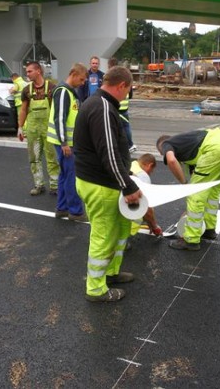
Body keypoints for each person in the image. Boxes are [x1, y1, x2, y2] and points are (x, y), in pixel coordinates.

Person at [74, 66, 142, 303]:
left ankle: (111, 273)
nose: (127, 95)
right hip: (100, 184)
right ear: (121, 85)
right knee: (103, 236)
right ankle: (96, 288)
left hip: (105, 182)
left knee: (120, 230)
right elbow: (109, 153)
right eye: (128, 90)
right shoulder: (102, 107)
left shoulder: (100, 104)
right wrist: (129, 186)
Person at [156, 127, 220, 251]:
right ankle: (209, 229)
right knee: (213, 191)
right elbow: (192, 171)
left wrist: (185, 185)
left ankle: (191, 240)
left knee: (195, 194)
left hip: (216, 149)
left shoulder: (167, 144)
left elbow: (171, 160)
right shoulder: (186, 143)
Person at [47, 63, 88, 222]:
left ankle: (62, 208)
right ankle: (75, 211)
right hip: (65, 143)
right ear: (73, 74)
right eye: (82, 79)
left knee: (65, 175)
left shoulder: (69, 92)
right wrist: (64, 143)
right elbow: (60, 118)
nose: (83, 82)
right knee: (71, 176)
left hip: (66, 142)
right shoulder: (64, 92)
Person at [17, 61, 59, 196]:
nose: (26, 74)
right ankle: (39, 184)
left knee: (52, 157)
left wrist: (58, 129)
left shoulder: (52, 88)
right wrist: (20, 127)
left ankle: (55, 186)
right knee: (34, 158)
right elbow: (23, 110)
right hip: (33, 130)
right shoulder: (26, 90)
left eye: (29, 71)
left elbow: (56, 110)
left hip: (49, 130)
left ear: (38, 71)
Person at [128, 153, 162, 240]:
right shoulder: (142, 176)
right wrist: (154, 226)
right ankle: (125, 237)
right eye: (152, 170)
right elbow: (146, 207)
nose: (151, 173)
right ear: (149, 165)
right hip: (124, 207)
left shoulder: (132, 165)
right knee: (138, 212)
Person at [108, 57, 137, 153]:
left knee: (121, 127)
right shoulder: (125, 76)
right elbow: (131, 93)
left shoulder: (113, 78)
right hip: (125, 107)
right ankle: (128, 144)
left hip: (118, 107)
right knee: (125, 126)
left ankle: (129, 144)